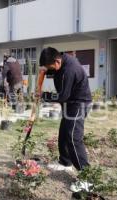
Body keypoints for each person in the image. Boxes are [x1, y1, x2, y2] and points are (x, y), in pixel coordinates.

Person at [39, 47, 92, 192]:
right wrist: (44, 71)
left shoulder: (70, 69)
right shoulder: (61, 62)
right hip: (70, 104)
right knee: (63, 132)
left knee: (73, 138)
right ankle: (65, 162)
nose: (51, 70)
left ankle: (88, 178)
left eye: (51, 67)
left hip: (78, 104)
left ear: (57, 61)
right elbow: (55, 71)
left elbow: (62, 96)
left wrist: (44, 96)